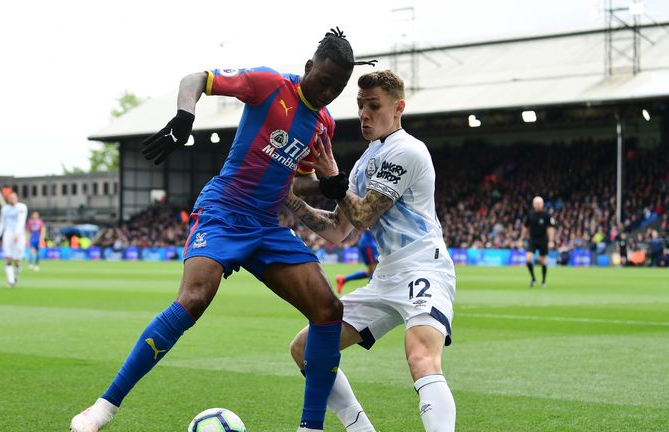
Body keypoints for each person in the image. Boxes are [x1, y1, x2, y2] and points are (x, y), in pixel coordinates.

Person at [71, 28, 377, 432]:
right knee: (194, 298)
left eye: (337, 88)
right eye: (323, 81)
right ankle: (102, 409)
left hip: (267, 225)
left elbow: (294, 181)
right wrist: (184, 116)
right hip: (224, 211)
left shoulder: (323, 126)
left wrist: (330, 182)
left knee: (328, 310)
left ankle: (311, 427)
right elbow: (195, 79)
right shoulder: (269, 85)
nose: (328, 93)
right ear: (308, 68)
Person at [285, 70, 457, 432]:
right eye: (360, 105)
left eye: (374, 105)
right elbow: (336, 230)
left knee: (421, 356)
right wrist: (293, 201)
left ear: (398, 108)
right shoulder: (364, 163)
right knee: (306, 350)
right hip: (387, 275)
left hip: (424, 268)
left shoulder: (407, 150)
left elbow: (362, 215)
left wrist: (331, 182)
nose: (364, 113)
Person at [0, 192, 28, 288]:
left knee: (17, 260)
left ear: (17, 198)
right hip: (8, 234)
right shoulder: (5, 209)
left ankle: (16, 276)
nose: (12, 199)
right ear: (8, 199)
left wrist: (17, 234)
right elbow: (2, 223)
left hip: (19, 235)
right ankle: (11, 281)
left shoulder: (22, 207)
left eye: (14, 197)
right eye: (11, 198)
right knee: (8, 257)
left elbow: (21, 221)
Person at [521, 196, 555, 288]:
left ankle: (543, 281)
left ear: (543, 204)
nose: (538, 204)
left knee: (543, 261)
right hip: (532, 239)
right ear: (533, 204)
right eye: (536, 203)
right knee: (528, 259)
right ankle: (533, 279)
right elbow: (525, 227)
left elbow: (551, 228)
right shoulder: (530, 214)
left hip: (543, 239)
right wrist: (521, 239)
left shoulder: (546, 214)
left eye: (539, 203)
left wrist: (551, 240)